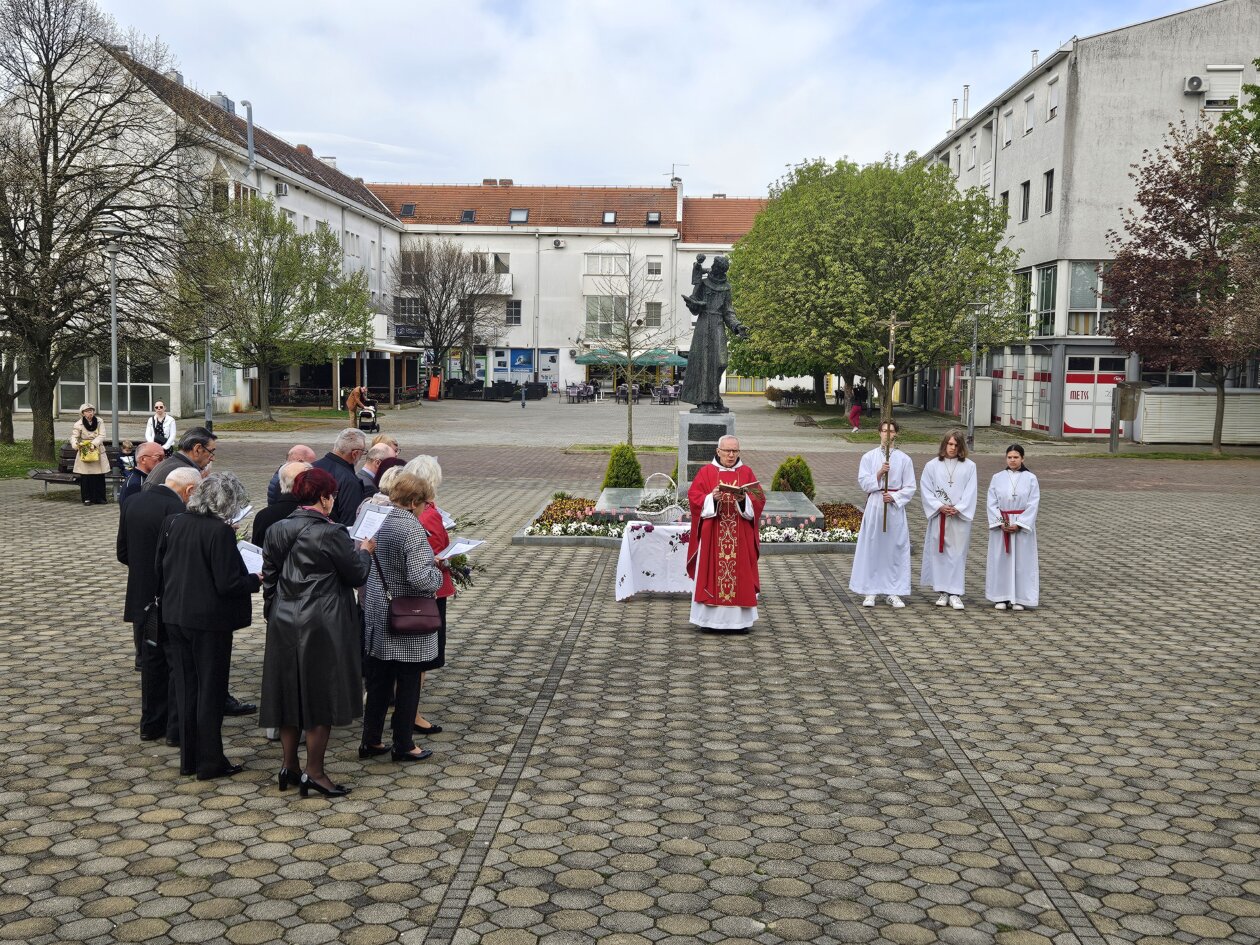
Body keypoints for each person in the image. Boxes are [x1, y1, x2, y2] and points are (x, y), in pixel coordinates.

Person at [261, 468, 374, 798]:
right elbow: (354, 574)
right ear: (324, 497)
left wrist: (273, 610)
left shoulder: (276, 528)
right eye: (332, 495)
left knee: (287, 691)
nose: (333, 501)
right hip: (322, 620)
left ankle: (288, 765)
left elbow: (270, 576)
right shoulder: (331, 531)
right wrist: (365, 551)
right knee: (319, 694)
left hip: (283, 616)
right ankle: (315, 772)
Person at [157, 473, 262, 780]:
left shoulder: (175, 522)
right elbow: (228, 583)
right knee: (211, 691)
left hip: (176, 614)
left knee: (187, 688)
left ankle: (189, 759)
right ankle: (211, 761)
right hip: (209, 622)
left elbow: (161, 565)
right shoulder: (220, 532)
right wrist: (254, 580)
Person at [359, 472, 444, 763]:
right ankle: (404, 744)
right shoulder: (411, 528)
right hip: (406, 615)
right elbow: (421, 578)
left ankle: (370, 740)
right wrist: (437, 572)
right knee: (408, 680)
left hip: (378, 611)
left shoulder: (379, 518)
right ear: (414, 502)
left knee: (379, 680)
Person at [116, 467, 201, 743]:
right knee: (175, 663)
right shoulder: (176, 510)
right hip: (168, 597)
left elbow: (123, 552)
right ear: (189, 490)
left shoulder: (133, 500)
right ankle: (175, 729)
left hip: (141, 596)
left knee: (150, 663)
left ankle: (150, 724)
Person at [686, 435, 766, 630]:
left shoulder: (746, 473)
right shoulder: (706, 472)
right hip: (713, 534)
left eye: (735, 451)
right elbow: (694, 498)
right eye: (727, 451)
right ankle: (708, 621)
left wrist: (742, 499)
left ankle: (739, 622)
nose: (731, 455)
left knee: (741, 576)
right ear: (718, 451)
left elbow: (759, 500)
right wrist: (711, 498)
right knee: (711, 573)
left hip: (740, 535)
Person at [405, 456, 454, 735]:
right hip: (427, 593)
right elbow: (434, 554)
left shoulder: (397, 511)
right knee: (421, 656)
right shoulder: (429, 514)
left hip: (401, 594)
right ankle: (410, 712)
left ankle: (399, 705)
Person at [850, 419, 917, 608]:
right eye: (884, 431)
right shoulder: (869, 457)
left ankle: (893, 591)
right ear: (879, 433)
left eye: (892, 431)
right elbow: (864, 482)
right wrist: (879, 474)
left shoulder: (904, 459)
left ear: (896, 434)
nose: (888, 434)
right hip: (875, 505)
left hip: (894, 507)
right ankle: (870, 590)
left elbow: (911, 486)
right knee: (873, 547)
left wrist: (895, 498)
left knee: (893, 548)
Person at [680, 255, 748, 413]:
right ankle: (706, 401)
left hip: (717, 325)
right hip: (704, 325)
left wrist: (737, 326)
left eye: (722, 271)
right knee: (704, 363)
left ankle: (713, 397)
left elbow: (728, 312)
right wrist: (694, 304)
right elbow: (694, 306)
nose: (718, 273)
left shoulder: (726, 287)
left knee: (721, 362)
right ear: (714, 268)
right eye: (717, 269)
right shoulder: (703, 283)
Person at [919, 429, 977, 610]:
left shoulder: (969, 466)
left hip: (958, 517)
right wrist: (939, 506)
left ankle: (955, 592)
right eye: (949, 444)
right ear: (944, 444)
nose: (952, 448)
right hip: (940, 515)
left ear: (961, 446)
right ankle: (943, 591)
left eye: (956, 444)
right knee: (940, 553)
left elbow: (971, 491)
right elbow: (926, 489)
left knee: (957, 554)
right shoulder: (932, 465)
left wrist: (958, 508)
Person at [985, 444, 1040, 611]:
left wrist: (1020, 523)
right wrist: (1002, 522)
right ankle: (1000, 596)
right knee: (1001, 560)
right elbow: (991, 501)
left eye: (1016, 457)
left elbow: (1033, 503)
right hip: (1003, 523)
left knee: (1022, 562)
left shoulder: (1031, 478)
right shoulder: (997, 477)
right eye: (1009, 457)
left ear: (1022, 458)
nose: (1012, 460)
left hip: (1021, 524)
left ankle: (1020, 598)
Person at [313, 429, 371, 525]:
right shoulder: (349, 480)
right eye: (363, 452)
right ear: (355, 453)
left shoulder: (311, 467)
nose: (362, 456)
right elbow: (350, 522)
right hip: (333, 536)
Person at [252, 461, 310, 546]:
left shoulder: (263, 516)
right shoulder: (322, 514)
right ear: (310, 484)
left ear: (280, 483)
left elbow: (256, 552)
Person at [144, 427, 216, 492]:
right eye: (211, 452)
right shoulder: (186, 474)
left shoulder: (166, 464)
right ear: (197, 449)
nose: (213, 458)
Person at [70, 403, 110, 505]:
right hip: (85, 451)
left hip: (97, 449)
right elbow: (74, 436)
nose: (90, 413)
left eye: (91, 410)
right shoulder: (78, 424)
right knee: (86, 477)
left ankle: (100, 498)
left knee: (99, 476)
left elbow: (102, 435)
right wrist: (75, 444)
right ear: (83, 413)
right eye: (87, 411)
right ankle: (87, 498)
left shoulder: (100, 421)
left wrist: (94, 444)